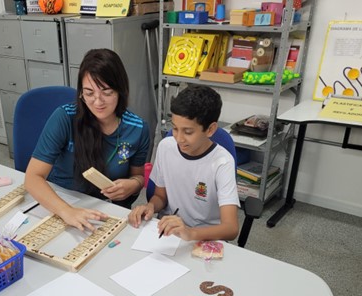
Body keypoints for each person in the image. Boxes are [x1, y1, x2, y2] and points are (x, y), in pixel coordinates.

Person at [25, 48, 151, 232]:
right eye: (89, 93)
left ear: (121, 90)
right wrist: (66, 211)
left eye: (106, 92)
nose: (98, 102)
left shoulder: (137, 128)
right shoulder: (65, 118)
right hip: (62, 204)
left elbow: (138, 176)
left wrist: (134, 185)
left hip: (107, 213)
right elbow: (32, 178)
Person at [128, 85, 240, 242]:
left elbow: (231, 228)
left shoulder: (222, 162)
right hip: (168, 232)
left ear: (210, 129)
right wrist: (151, 206)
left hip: (204, 236)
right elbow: (160, 196)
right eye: (174, 128)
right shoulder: (166, 147)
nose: (179, 138)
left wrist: (191, 233)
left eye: (188, 132)